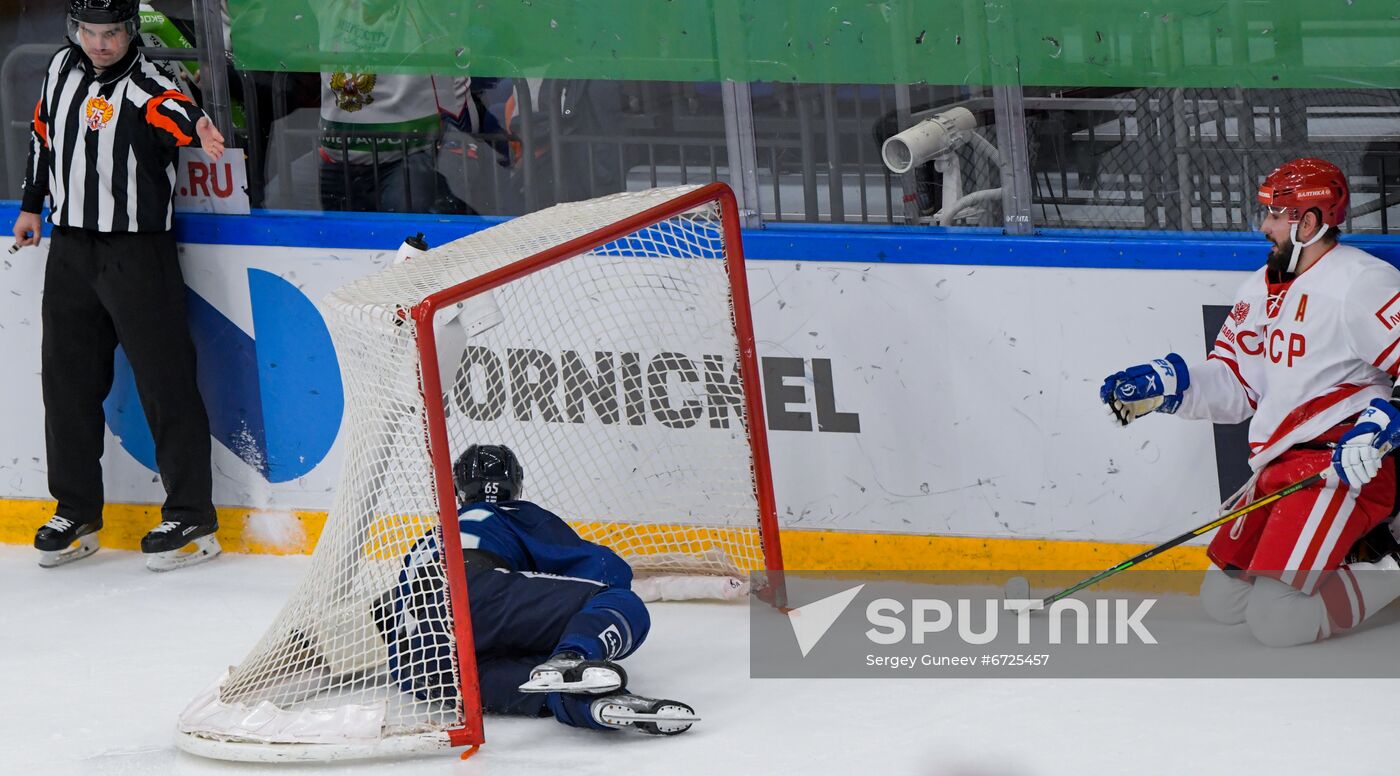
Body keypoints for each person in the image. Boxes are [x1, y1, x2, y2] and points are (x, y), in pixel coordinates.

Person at [1100, 157, 1400, 647]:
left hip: (1338, 471)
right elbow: (1239, 385)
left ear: (1309, 221)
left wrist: (1383, 423)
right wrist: (1173, 387)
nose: (1264, 226)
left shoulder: (1361, 284)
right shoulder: (1257, 289)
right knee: (1225, 602)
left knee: (1278, 621)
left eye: (1275, 214)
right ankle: (1351, 548)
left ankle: (1394, 561)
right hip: (1279, 469)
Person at [13, 0, 226, 572]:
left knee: (165, 383)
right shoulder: (59, 68)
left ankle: (191, 516)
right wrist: (32, 205)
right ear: (74, 30)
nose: (100, 43)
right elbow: (42, 134)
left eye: (111, 33)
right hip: (71, 250)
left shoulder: (150, 83)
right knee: (67, 385)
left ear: (129, 31)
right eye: (90, 32)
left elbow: (173, 110)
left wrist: (197, 124)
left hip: (137, 253)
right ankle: (75, 509)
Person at [376, 444, 698, 735]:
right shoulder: (513, 514)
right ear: (515, 485)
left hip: (419, 666)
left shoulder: (428, 537)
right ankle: (573, 657)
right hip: (473, 595)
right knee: (622, 604)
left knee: (539, 682)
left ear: (459, 489)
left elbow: (390, 612)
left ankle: (591, 707)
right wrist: (585, 620)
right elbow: (605, 570)